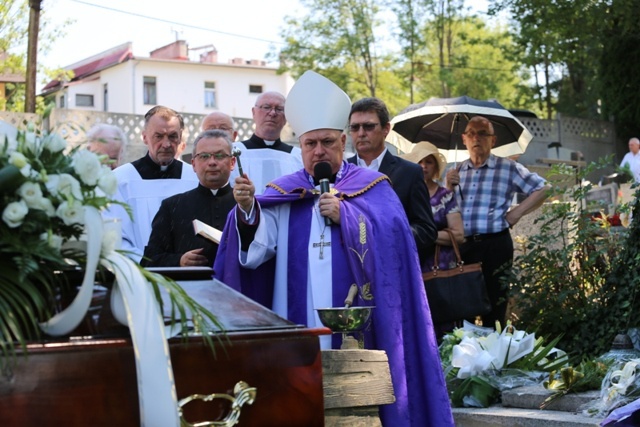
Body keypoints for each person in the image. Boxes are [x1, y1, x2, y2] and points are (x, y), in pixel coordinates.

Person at [214, 71, 453, 427]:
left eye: (327, 142)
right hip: (297, 316)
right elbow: (259, 250)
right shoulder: (283, 193)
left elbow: (395, 244)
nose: (319, 151)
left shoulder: (372, 188)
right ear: (301, 148)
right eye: (311, 144)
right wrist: (248, 212)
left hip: (361, 322)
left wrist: (350, 217)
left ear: (344, 143)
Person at [446, 115, 550, 327]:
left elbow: (544, 188)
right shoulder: (454, 173)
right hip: (464, 247)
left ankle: (494, 356)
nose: (476, 138)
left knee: (495, 306)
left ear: (493, 140)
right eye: (471, 133)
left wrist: (516, 213)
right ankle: (463, 355)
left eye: (482, 133)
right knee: (462, 306)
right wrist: (448, 187)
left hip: (496, 244)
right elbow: (440, 211)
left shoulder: (508, 168)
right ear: (464, 139)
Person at [347, 97, 437, 262]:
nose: (360, 133)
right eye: (354, 127)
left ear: (386, 128)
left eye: (368, 126)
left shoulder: (410, 172)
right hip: (350, 268)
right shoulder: (340, 172)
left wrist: (388, 237)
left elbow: (426, 230)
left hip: (393, 267)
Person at [107, 105, 198, 262]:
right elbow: (115, 236)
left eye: (172, 136)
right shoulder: (121, 180)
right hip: (140, 273)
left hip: (190, 271)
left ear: (180, 137)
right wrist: (146, 263)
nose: (166, 144)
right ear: (144, 137)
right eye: (158, 136)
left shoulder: (194, 177)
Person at [141, 129, 236, 267]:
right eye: (204, 156)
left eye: (220, 155)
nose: (212, 162)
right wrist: (179, 261)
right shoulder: (172, 206)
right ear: (193, 164)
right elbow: (149, 260)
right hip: (189, 286)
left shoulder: (247, 206)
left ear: (232, 162)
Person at [402, 141, 464, 338]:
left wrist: (426, 233)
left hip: (441, 268)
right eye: (419, 161)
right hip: (411, 264)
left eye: (429, 162)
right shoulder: (403, 193)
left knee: (444, 321)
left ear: (436, 167)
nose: (424, 166)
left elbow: (459, 234)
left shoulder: (445, 196)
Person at [231, 91, 303, 193]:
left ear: (286, 117)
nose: (272, 113)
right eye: (266, 107)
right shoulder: (234, 152)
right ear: (253, 112)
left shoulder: (298, 156)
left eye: (279, 109)